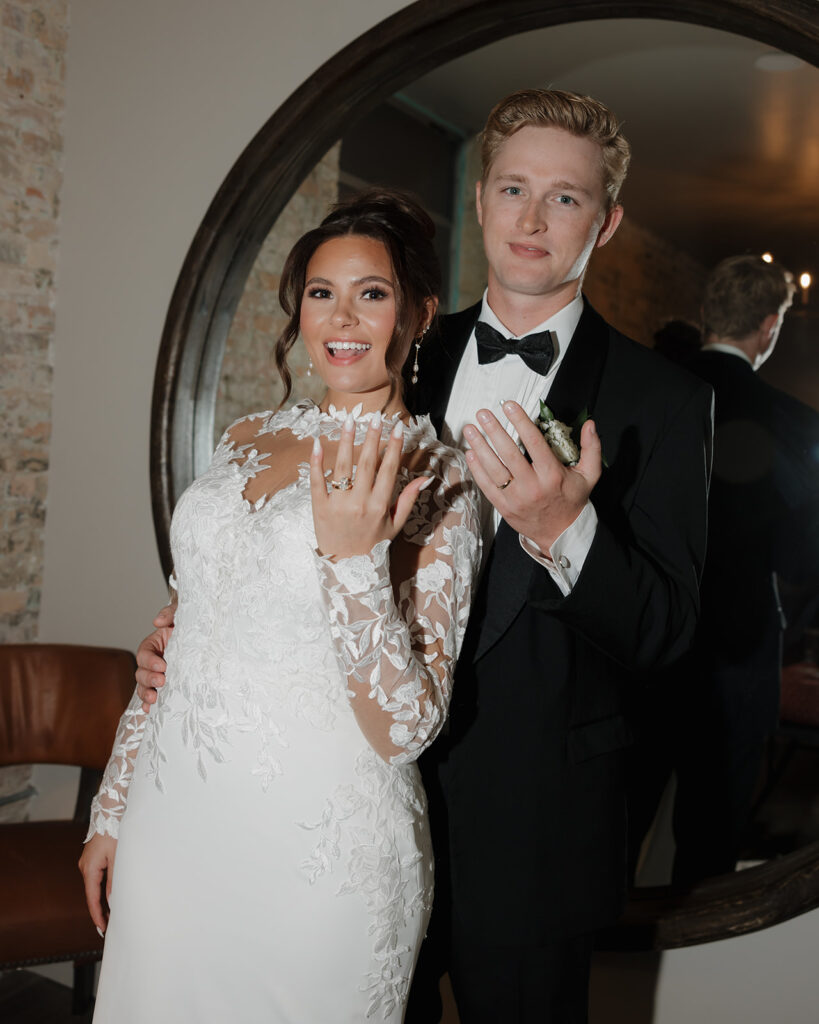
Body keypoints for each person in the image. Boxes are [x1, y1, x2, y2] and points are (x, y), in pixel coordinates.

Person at [136, 90, 713, 1023]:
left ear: (604, 224)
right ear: (480, 198)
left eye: (563, 199)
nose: (531, 219)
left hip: (528, 829)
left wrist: (565, 529)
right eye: (513, 188)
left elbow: (668, 634)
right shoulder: (384, 338)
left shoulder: (667, 402)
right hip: (339, 802)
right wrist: (200, 639)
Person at [78, 189, 482, 1023]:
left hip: (319, 855)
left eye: (371, 292)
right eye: (319, 292)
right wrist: (112, 807)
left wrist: (351, 560)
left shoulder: (442, 480)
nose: (342, 315)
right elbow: (181, 629)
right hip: (174, 827)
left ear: (417, 314)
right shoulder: (245, 438)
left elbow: (404, 727)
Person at [630, 255, 819, 885]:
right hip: (737, 657)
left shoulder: (643, 390)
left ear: (709, 314)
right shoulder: (794, 425)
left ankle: (600, 965)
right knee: (708, 851)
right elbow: (802, 559)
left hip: (641, 645)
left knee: (616, 827)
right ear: (768, 327)